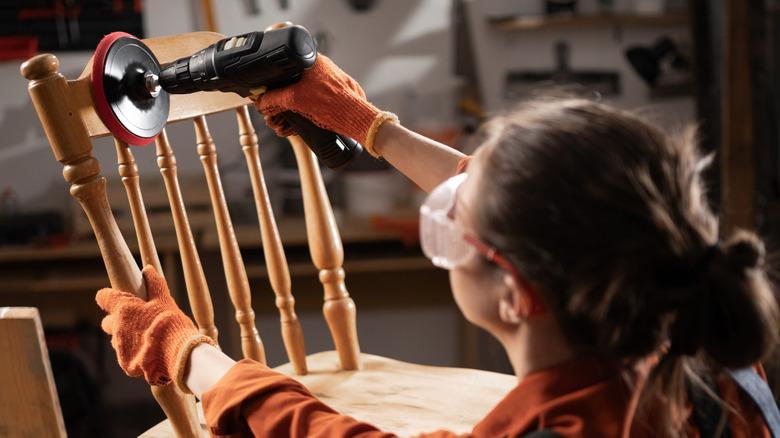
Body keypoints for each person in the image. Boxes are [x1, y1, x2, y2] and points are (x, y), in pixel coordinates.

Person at [95, 55, 780, 437]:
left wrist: (191, 355)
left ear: (515, 294)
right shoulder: (706, 349)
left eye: (454, 215)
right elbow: (528, 203)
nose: (446, 203)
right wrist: (368, 126)